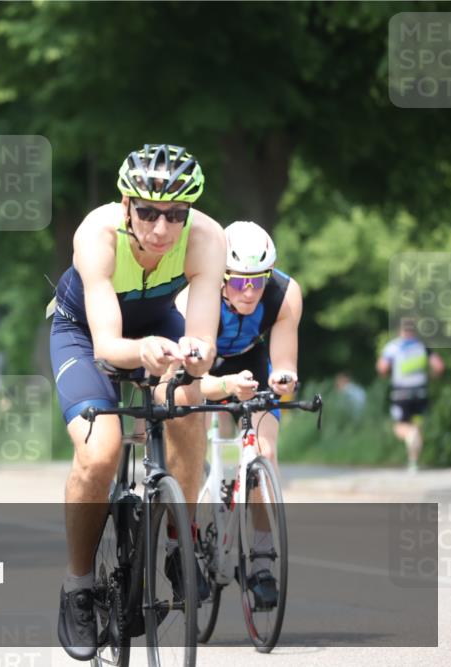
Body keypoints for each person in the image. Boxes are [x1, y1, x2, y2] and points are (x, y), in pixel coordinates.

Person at [47, 144, 225, 660]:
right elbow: (108, 347)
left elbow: (203, 341)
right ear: (126, 204)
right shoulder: (96, 235)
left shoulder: (208, 240)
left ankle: (179, 540)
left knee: (189, 400)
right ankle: (78, 585)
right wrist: (144, 353)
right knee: (100, 452)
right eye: (147, 211)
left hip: (155, 324)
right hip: (84, 332)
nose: (162, 228)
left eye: (176, 214)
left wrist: (195, 353)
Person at [177, 220, 302, 609]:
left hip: (250, 361)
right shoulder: (194, 297)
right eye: (237, 282)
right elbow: (188, 380)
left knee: (263, 451)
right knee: (191, 445)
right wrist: (222, 385)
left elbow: (283, 364)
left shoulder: (285, 294)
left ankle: (262, 560)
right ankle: (185, 543)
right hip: (203, 362)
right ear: (221, 278)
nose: (249, 292)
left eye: (258, 281)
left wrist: (284, 380)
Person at [377, 320, 444, 473]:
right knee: (416, 426)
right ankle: (413, 462)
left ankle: (409, 435)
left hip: (401, 393)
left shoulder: (393, 347)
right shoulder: (422, 346)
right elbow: (439, 366)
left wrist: (386, 375)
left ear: (400, 331)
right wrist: (432, 376)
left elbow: (382, 368)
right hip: (420, 392)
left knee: (401, 427)